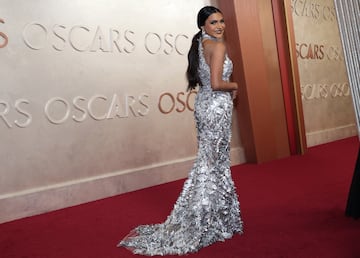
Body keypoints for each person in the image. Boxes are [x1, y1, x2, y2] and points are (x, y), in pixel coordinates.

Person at [118, 6, 243, 255]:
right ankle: (205, 222)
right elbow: (218, 83)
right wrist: (235, 84)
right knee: (212, 165)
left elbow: (208, 81)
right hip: (216, 107)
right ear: (202, 26)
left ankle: (214, 217)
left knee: (210, 163)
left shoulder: (201, 45)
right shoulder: (217, 47)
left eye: (221, 21)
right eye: (213, 22)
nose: (219, 26)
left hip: (205, 105)